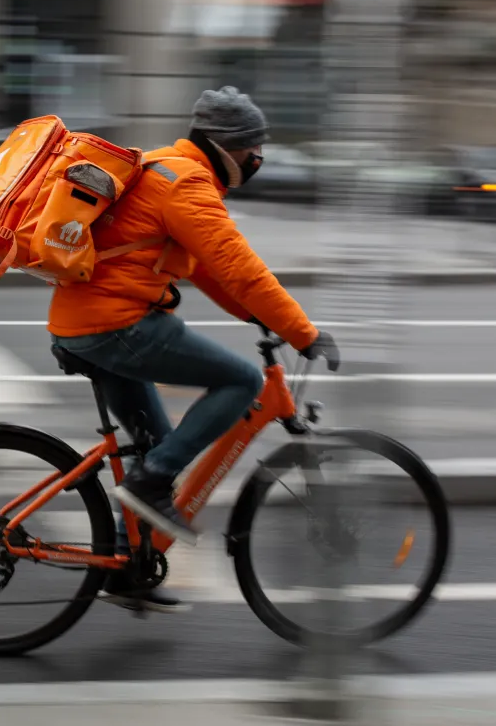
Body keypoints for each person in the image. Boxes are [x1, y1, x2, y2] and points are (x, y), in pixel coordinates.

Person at [47, 86, 341, 614]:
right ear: (229, 147)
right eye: (255, 151)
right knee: (242, 383)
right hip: (117, 325)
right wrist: (304, 333)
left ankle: (127, 570)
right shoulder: (187, 184)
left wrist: (256, 317)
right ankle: (150, 482)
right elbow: (242, 269)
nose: (258, 162)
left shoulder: (162, 166)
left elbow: (209, 270)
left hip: (82, 323)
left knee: (157, 442)